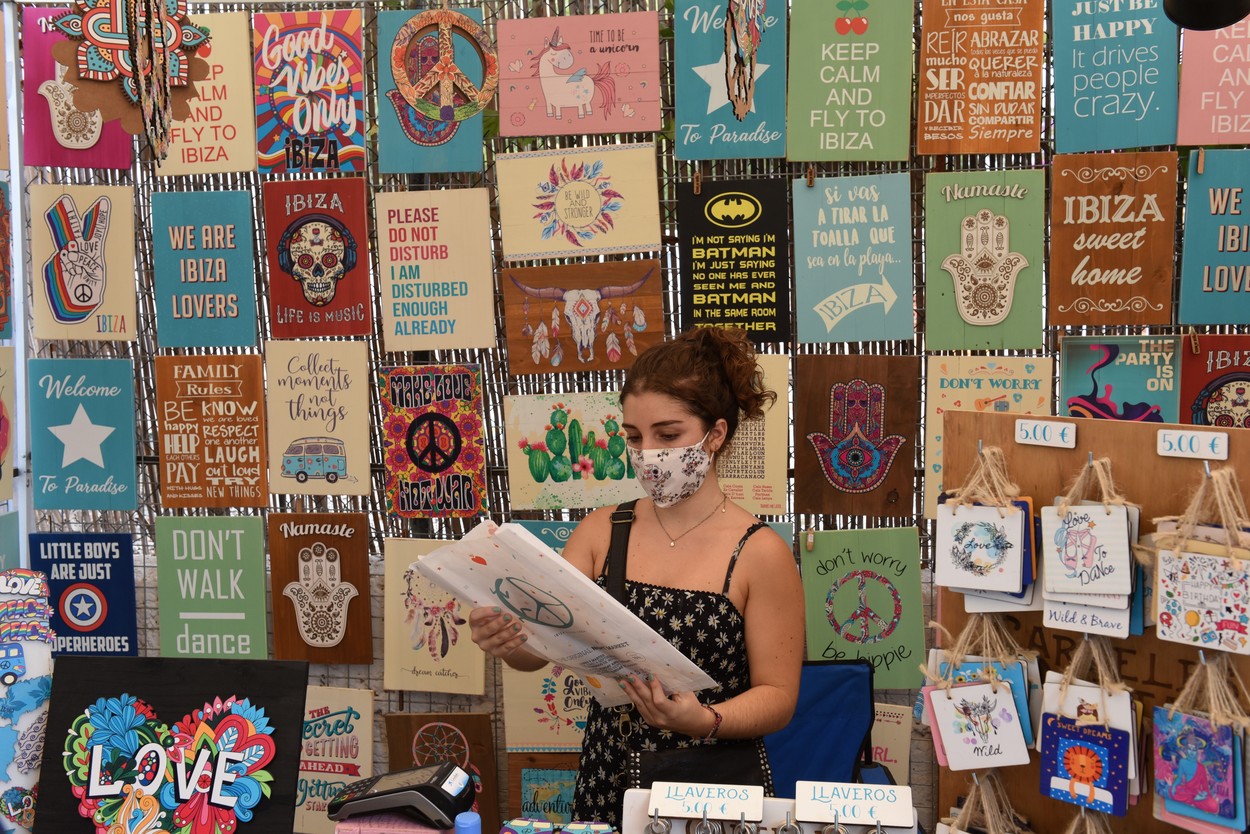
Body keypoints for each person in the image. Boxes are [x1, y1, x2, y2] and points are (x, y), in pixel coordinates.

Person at [469, 326, 804, 827]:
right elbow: (535, 650)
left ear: (715, 434)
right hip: (609, 775)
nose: (647, 452)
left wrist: (706, 721)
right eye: (633, 437)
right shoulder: (602, 530)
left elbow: (778, 698)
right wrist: (505, 637)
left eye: (667, 436)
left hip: (711, 789)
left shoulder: (761, 553)